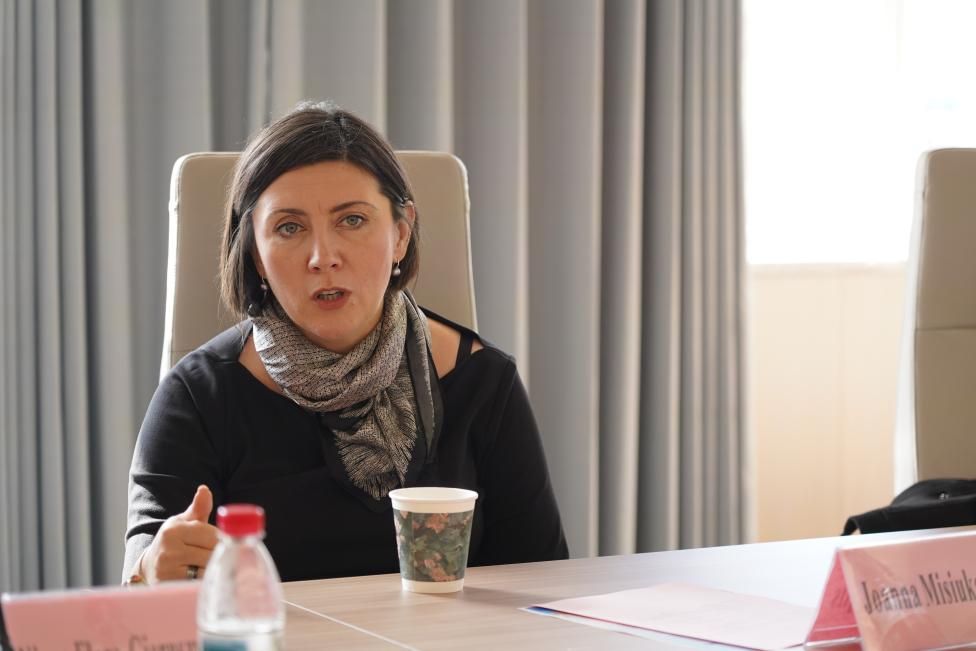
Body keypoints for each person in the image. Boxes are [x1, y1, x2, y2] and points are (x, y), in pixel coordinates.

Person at [123, 102, 568, 584]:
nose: (323, 257)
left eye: (352, 220)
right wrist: (152, 567)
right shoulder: (197, 397)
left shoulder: (484, 382)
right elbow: (143, 572)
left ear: (401, 234)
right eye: (289, 228)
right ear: (255, 255)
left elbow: (542, 585)